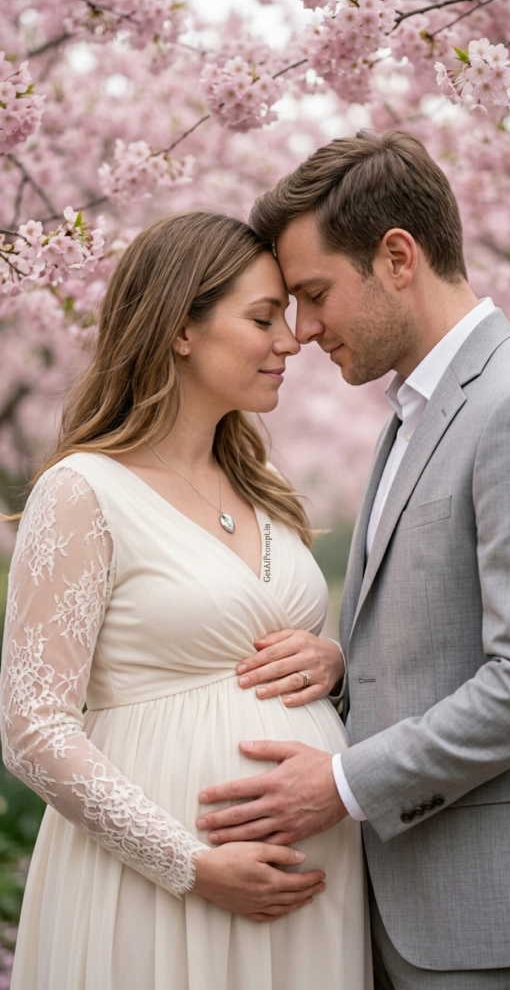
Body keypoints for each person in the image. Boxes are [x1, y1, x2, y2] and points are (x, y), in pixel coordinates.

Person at [195, 131, 510, 989]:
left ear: (398, 256)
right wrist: (346, 667)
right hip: (407, 913)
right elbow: (454, 629)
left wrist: (346, 784)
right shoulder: (413, 411)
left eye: (316, 294)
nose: (305, 329)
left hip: (495, 926)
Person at [0, 211, 373, 990]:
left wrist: (334, 663)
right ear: (181, 329)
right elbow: (31, 728)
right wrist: (191, 865)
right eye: (263, 318)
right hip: (163, 887)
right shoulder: (83, 491)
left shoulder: (264, 495)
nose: (292, 339)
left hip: (309, 893)